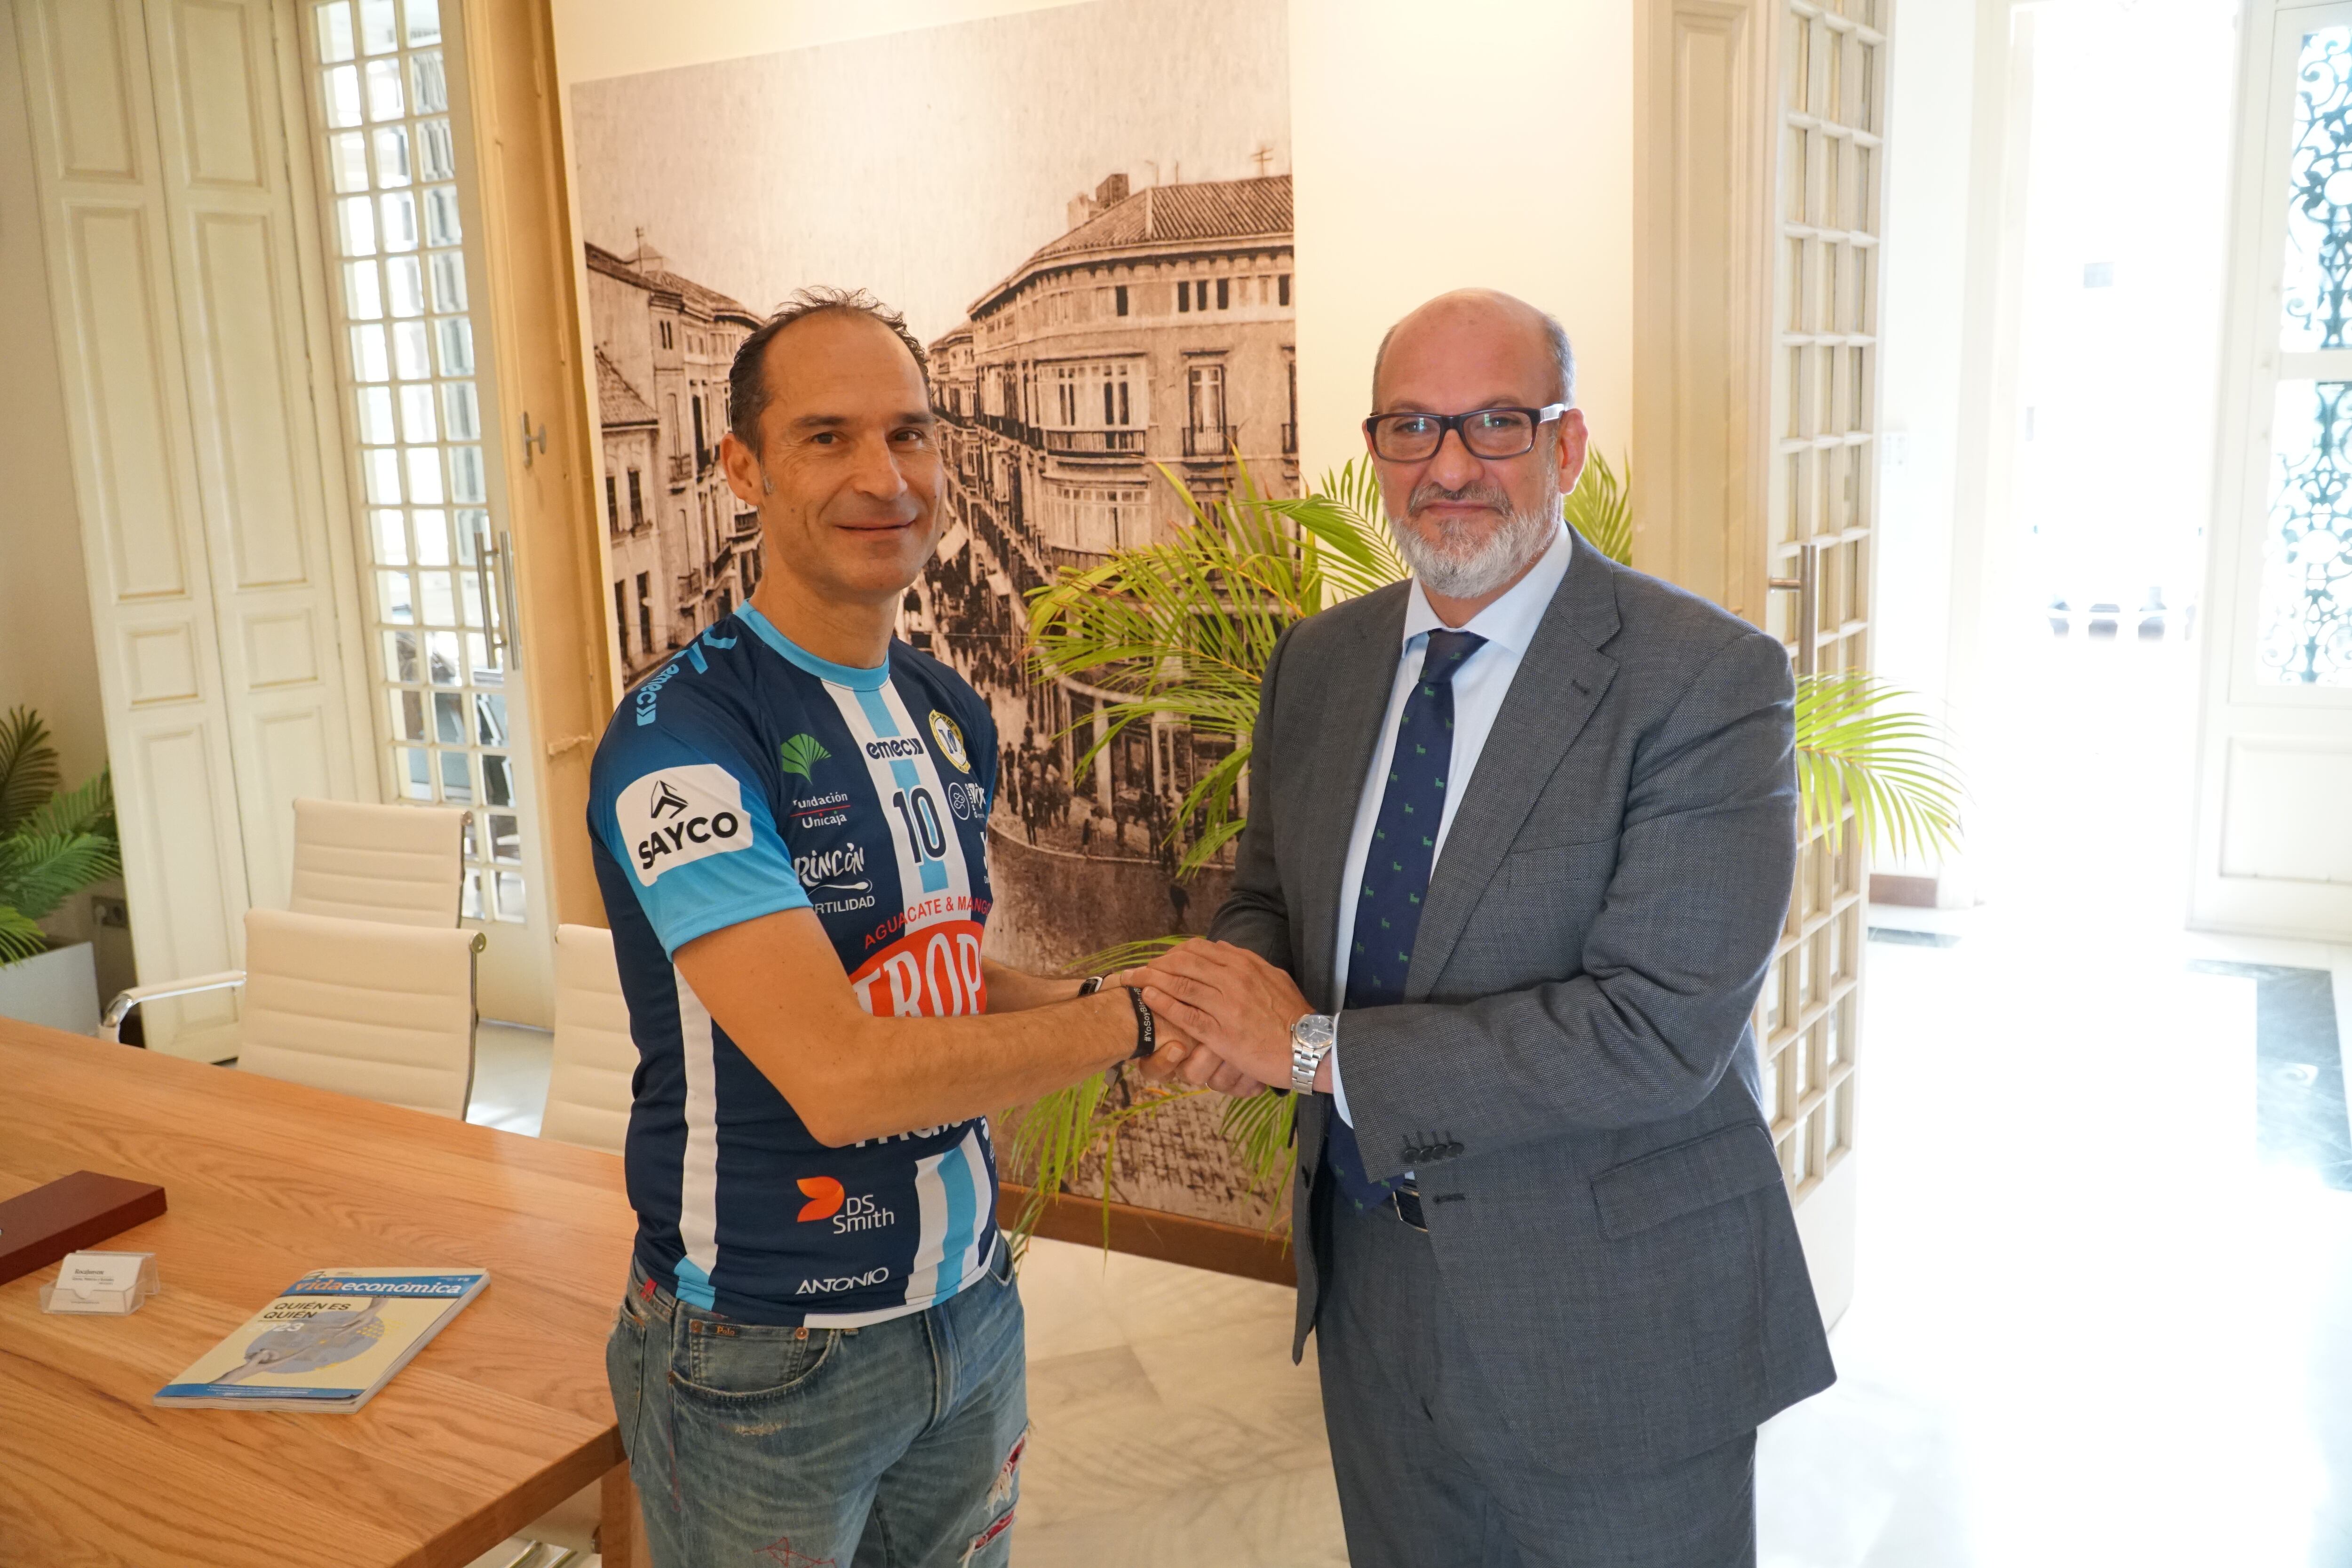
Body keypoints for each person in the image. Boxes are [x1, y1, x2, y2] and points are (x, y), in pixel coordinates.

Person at [1137, 288, 1836, 1567]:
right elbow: (1272, 900)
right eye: (1412, 427)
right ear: (1375, 456)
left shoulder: (1706, 681)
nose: (1450, 465)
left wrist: (1304, 1051)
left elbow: (1652, 1032)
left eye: (1495, 424)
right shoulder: (1320, 666)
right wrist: (1211, 1004)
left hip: (1609, 1321)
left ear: (1566, 448)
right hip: (1373, 1292)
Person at [587, 286, 1179, 1568]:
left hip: (968, 1314)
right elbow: (845, 1080)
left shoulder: (945, 704)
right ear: (740, 465)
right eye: (827, 438)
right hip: (761, 1355)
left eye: (910, 434)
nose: (884, 477)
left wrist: (1114, 1006)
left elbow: (939, 978)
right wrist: (1128, 1024)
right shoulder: (679, 743)